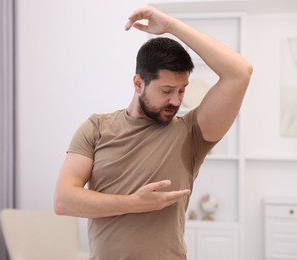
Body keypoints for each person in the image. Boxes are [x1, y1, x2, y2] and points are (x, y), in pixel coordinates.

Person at [54, 6, 252, 260]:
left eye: (182, 90)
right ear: (139, 83)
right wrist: (134, 203)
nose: (176, 100)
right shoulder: (96, 128)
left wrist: (172, 25)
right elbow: (64, 201)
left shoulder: (191, 133)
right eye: (167, 90)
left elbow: (240, 72)